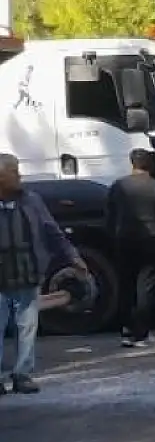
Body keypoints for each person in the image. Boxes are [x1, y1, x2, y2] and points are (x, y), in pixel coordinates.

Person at [0, 153, 88, 396]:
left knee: (26, 328)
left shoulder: (32, 201)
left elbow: (53, 232)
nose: (19, 177)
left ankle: (22, 375)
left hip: (28, 276)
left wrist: (73, 257)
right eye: (13, 172)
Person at [105, 148, 155, 348]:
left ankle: (126, 332)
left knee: (126, 286)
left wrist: (113, 237)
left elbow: (109, 216)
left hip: (124, 241)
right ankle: (142, 334)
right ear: (149, 165)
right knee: (145, 288)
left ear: (132, 164)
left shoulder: (118, 186)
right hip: (151, 242)